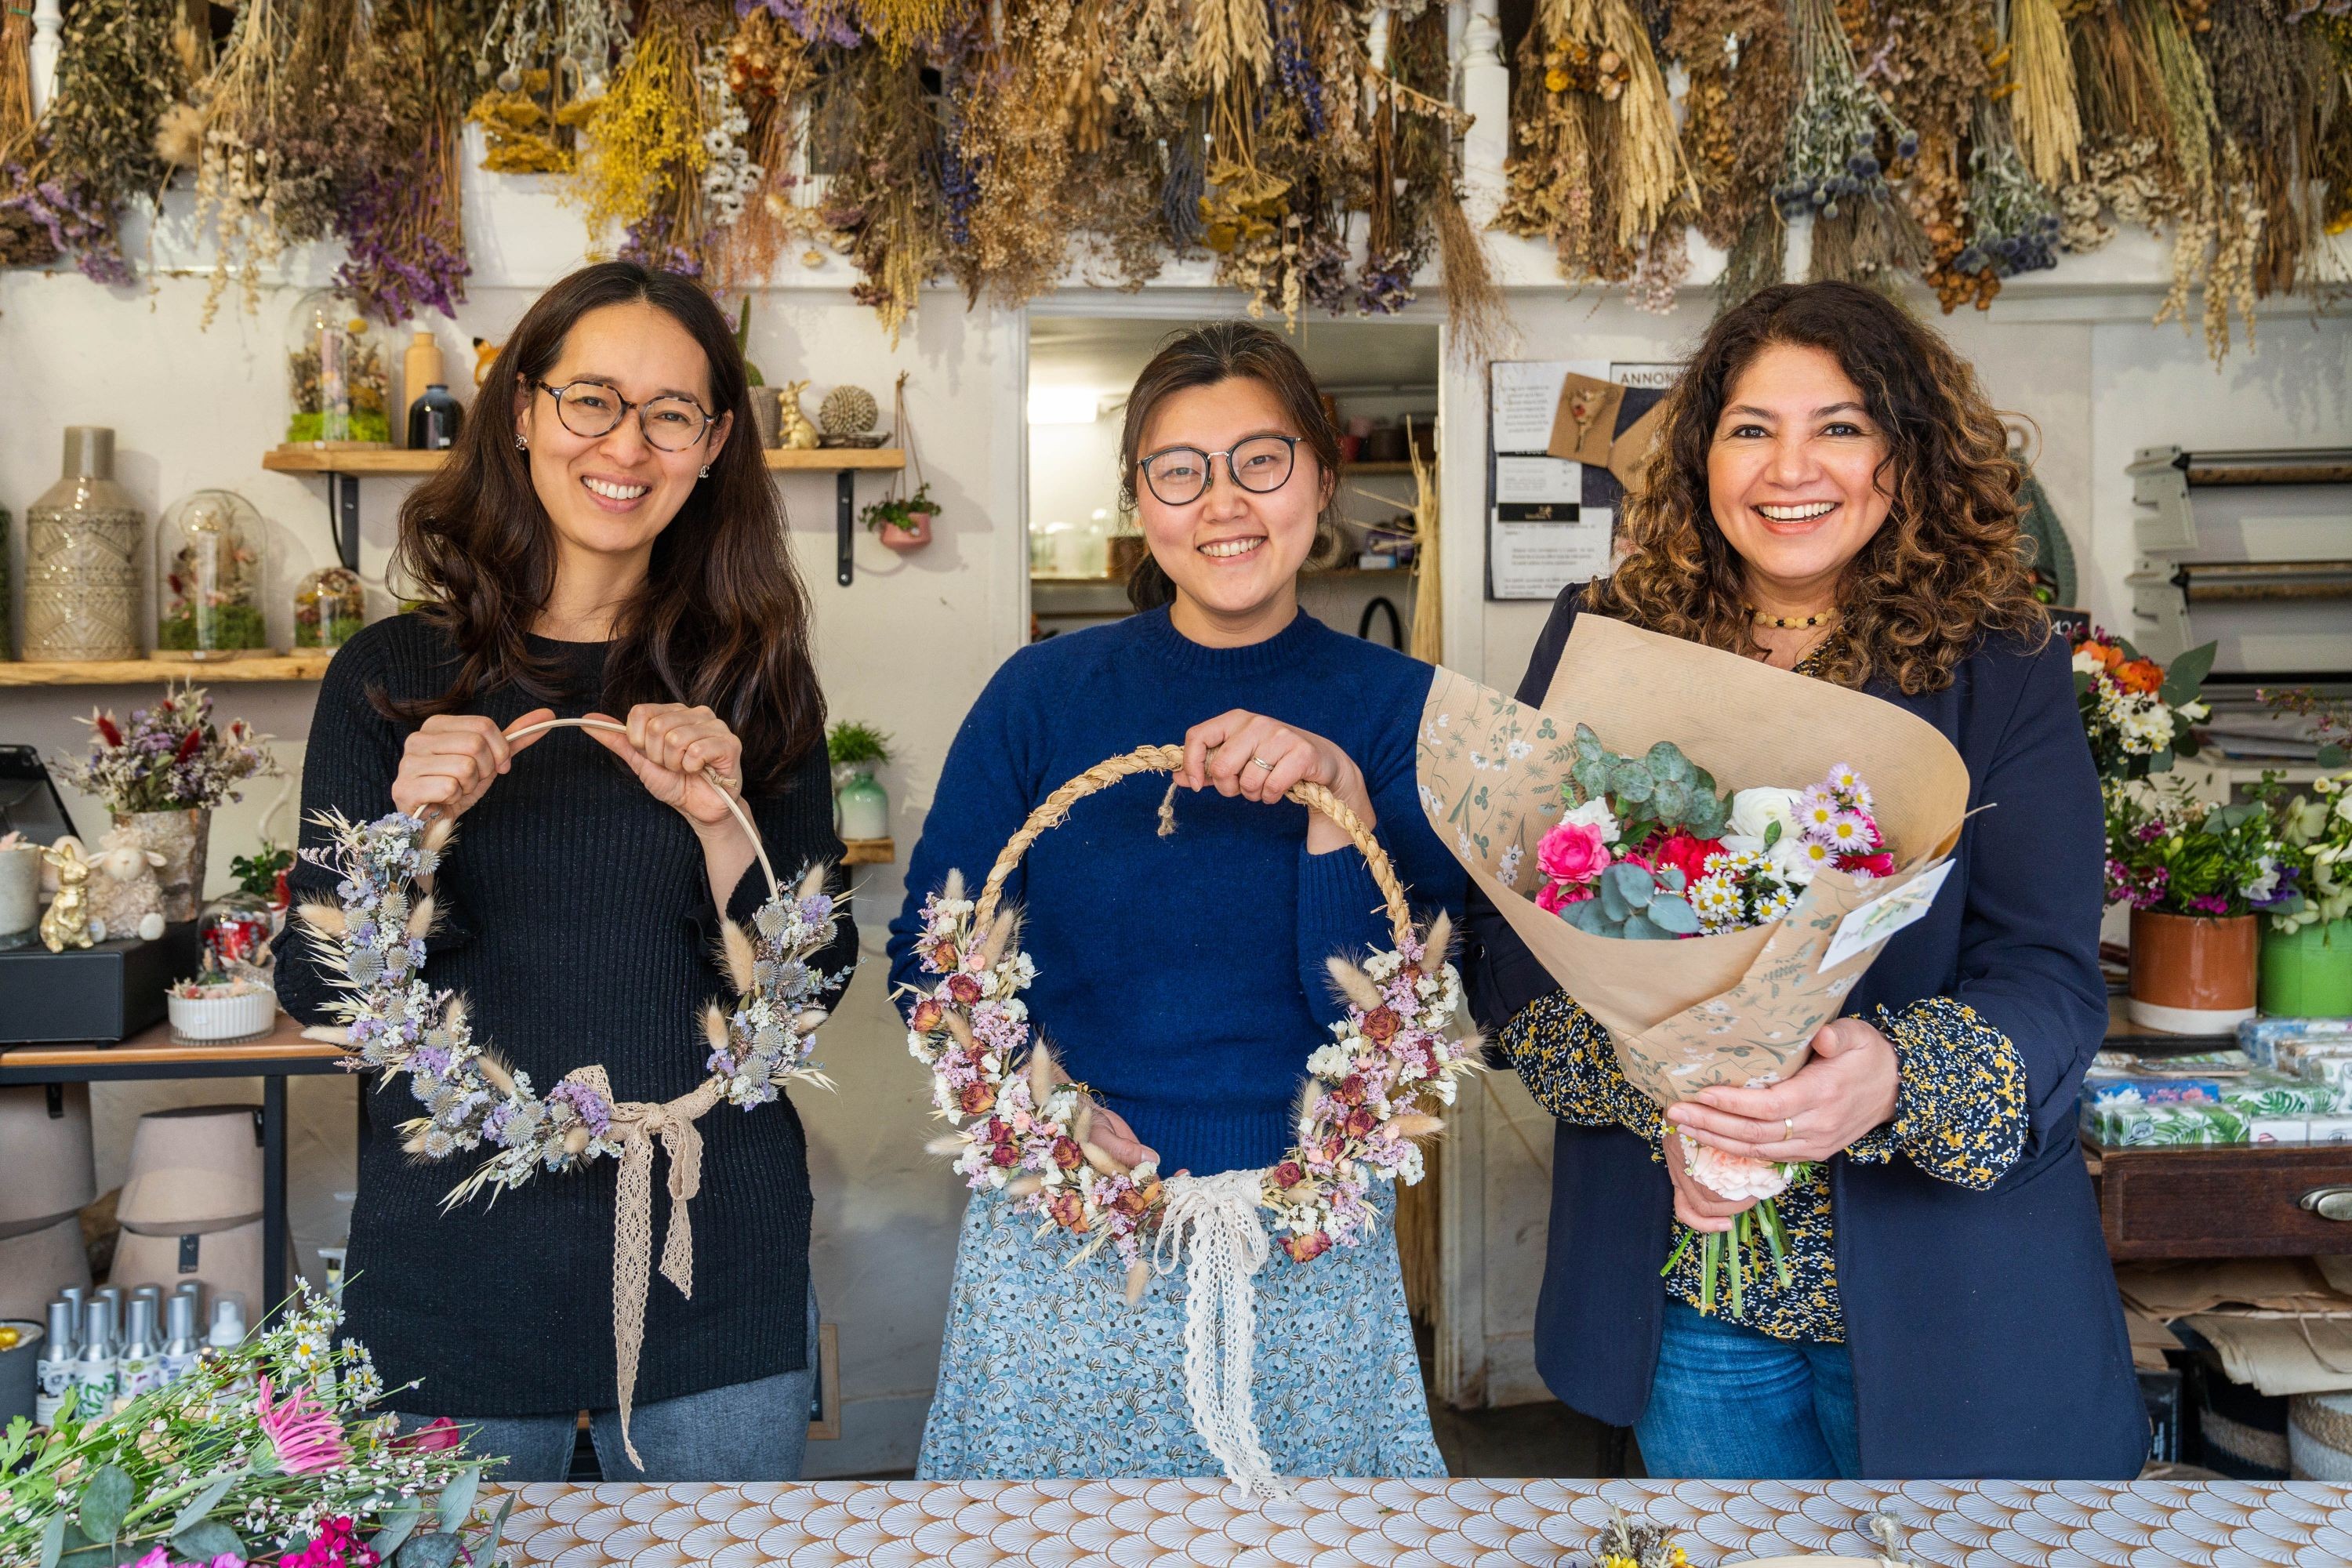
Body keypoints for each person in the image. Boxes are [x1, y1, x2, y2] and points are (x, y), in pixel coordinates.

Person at [1465, 281, 2145, 1479]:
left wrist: (1890, 1077)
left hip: (1949, 1297)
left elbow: (2047, 971)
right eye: (1749, 428)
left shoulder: (2005, 661)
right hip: (1691, 1296)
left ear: (1906, 452)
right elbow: (1513, 925)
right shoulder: (1606, 634)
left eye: (1839, 426)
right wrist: (1674, 1089)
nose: (1792, 468)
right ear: (1699, 456)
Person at [272, 261, 853, 1482]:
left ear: (714, 445)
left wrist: (718, 822)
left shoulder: (754, 683)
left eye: (671, 414)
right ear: (523, 410)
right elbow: (325, 994)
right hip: (457, 1273)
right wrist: (402, 837)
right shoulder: (389, 678)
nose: (625, 446)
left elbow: (812, 991)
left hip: (712, 1264)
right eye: (592, 399)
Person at [890, 321, 1463, 1479]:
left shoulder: (1406, 710)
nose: (1224, 504)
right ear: (1139, 500)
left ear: (1321, 477)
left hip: (1308, 1225)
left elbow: (1404, 1011)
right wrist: (1035, 1113)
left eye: (1263, 460)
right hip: (1069, 1219)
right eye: (1179, 470)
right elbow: (928, 951)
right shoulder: (1042, 696)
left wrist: (1336, 804)